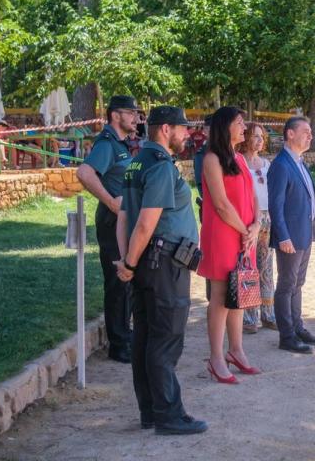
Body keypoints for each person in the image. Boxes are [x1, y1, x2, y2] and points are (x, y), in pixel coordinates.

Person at [114, 105, 207, 436]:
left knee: (145, 337)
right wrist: (129, 262)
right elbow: (145, 222)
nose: (187, 134)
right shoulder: (160, 165)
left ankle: (150, 411)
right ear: (166, 129)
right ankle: (169, 414)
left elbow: (123, 217)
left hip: (146, 262)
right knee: (165, 339)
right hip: (164, 264)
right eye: (183, 128)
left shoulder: (136, 162)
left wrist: (128, 261)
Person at [197, 106, 260, 383]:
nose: (244, 127)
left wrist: (256, 225)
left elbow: (254, 195)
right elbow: (221, 204)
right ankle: (216, 358)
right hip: (224, 235)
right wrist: (245, 230)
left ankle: (236, 350)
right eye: (239, 122)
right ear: (225, 127)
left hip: (245, 236)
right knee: (221, 296)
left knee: (240, 294)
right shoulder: (212, 159)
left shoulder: (240, 158)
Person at [77, 95, 140, 363]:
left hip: (124, 222)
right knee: (118, 283)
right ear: (115, 115)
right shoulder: (107, 143)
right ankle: (119, 345)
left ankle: (125, 335)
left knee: (127, 282)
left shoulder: (121, 143)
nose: (136, 118)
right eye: (131, 113)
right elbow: (84, 173)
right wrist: (112, 202)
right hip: (112, 222)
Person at [268, 115, 315, 354]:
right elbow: (275, 205)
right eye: (306, 132)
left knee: (298, 283)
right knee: (286, 284)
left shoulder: (299, 162)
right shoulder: (281, 165)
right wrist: (283, 237)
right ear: (290, 134)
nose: (311, 136)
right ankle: (287, 335)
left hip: (304, 234)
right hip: (290, 237)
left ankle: (297, 327)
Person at [239, 123, 277, 332]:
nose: (260, 140)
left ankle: (268, 313)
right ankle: (249, 317)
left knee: (267, 267)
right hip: (249, 220)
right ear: (245, 138)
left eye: (262, 137)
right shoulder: (239, 162)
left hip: (267, 218)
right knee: (249, 268)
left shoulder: (266, 164)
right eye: (255, 136)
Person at [193, 113, 212, 219]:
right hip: (212, 208)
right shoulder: (202, 153)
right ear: (205, 131)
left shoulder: (225, 151)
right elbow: (201, 185)